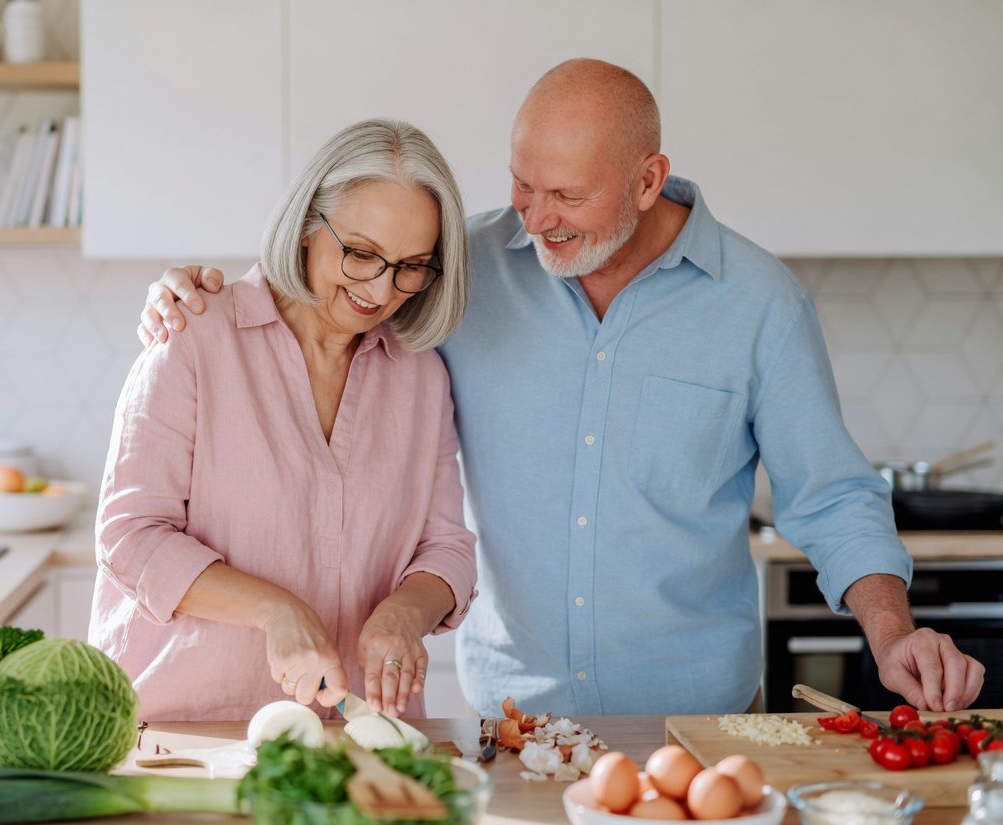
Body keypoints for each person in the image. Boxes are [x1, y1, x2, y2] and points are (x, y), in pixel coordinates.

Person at [134, 60, 986, 717]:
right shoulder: (459, 275)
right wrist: (192, 295)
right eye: (521, 184)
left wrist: (892, 631)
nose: (534, 218)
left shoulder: (759, 305)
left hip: (696, 722)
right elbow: (334, 295)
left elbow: (833, 497)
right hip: (509, 721)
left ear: (648, 181)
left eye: (567, 196)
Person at [91, 118, 477, 723]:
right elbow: (129, 536)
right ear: (304, 227)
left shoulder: (420, 375)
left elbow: (447, 547)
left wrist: (407, 612)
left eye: (411, 266)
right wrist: (274, 610)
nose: (380, 290)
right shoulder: (193, 334)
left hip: (355, 735)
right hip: (189, 733)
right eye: (361, 253)